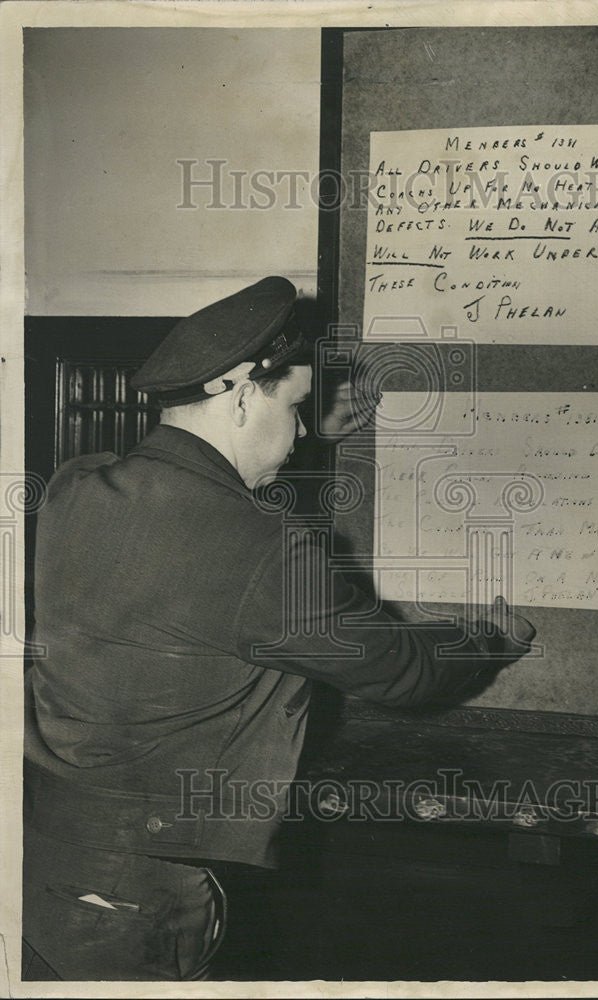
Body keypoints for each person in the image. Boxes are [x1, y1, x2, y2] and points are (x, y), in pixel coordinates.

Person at [22, 276, 535, 981]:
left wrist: (295, 432)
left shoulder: (75, 485)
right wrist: (491, 638)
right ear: (238, 392)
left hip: (40, 852)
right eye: (296, 408)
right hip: (135, 892)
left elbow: (191, 517)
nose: (302, 431)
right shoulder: (261, 548)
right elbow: (401, 671)